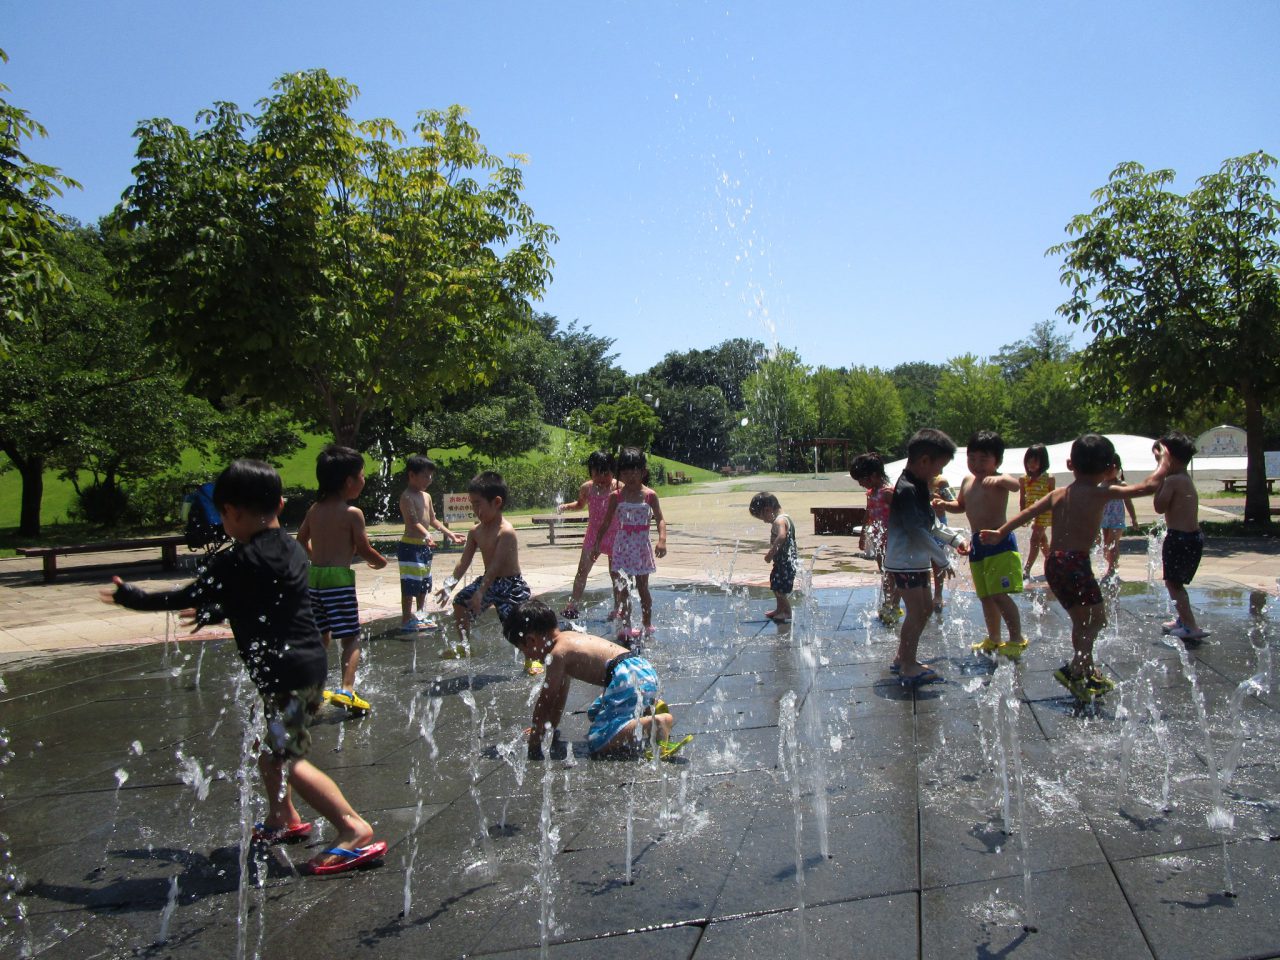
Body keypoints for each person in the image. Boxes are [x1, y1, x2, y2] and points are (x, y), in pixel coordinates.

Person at [101, 460, 386, 875]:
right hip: (304, 664)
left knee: (291, 758)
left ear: (230, 512)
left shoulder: (237, 560)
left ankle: (353, 828)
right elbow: (268, 597)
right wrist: (219, 609)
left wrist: (132, 596)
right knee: (269, 749)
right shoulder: (289, 546)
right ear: (281, 504)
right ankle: (283, 817)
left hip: (286, 672)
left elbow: (183, 595)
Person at [980, 434, 1169, 703]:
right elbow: (1148, 487)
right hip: (1075, 563)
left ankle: (1085, 670)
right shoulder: (1104, 491)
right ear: (1108, 469)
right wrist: (1163, 460)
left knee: (1085, 620)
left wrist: (1000, 533)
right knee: (1095, 620)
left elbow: (1027, 513)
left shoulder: (1059, 494)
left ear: (1070, 464)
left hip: (1055, 562)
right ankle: (1077, 670)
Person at [503, 600, 687, 759]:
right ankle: (647, 707)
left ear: (531, 640)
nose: (526, 655)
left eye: (523, 650)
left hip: (628, 678)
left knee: (598, 740)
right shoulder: (566, 639)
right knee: (595, 712)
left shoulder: (557, 654)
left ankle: (655, 723)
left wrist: (536, 737)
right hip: (641, 670)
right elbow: (560, 694)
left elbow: (546, 699)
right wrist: (550, 727)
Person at [296, 446, 388, 714]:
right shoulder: (352, 513)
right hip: (339, 582)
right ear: (349, 481)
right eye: (361, 475)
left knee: (320, 637)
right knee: (350, 638)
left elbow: (301, 539)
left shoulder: (314, 509)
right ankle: (346, 690)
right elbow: (363, 548)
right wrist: (380, 561)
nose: (364, 479)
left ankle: (312, 690)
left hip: (315, 579)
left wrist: (316, 559)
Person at [885, 429, 969, 686]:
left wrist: (955, 540)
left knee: (924, 610)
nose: (938, 473)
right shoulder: (908, 489)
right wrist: (942, 559)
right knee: (917, 610)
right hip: (904, 561)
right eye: (938, 466)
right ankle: (908, 664)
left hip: (916, 559)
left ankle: (904, 657)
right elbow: (916, 531)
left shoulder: (919, 485)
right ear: (924, 461)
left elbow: (930, 524)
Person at [437, 470, 541, 674]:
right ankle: (465, 646)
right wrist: (449, 584)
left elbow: (495, 566)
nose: (475, 509)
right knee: (460, 603)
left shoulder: (506, 532)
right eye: (472, 504)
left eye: (478, 504)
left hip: (511, 585)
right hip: (488, 581)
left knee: (516, 625)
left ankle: (531, 658)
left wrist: (481, 592)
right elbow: (463, 562)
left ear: (496, 502)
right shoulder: (475, 531)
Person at [936, 431, 1026, 658]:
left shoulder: (999, 480)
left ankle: (1016, 639)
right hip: (978, 543)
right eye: (972, 458)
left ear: (998, 460)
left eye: (983, 459)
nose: (976, 464)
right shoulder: (967, 481)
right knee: (985, 595)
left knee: (1000, 594)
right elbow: (961, 506)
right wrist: (944, 504)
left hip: (999, 541)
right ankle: (994, 638)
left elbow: (1016, 485)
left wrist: (1001, 478)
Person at [590, 447, 667, 643]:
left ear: (643, 471)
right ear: (620, 473)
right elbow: (606, 522)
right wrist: (597, 544)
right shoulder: (617, 496)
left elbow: (660, 519)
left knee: (643, 588)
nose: (631, 476)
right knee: (623, 589)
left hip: (641, 547)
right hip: (622, 547)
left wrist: (662, 539)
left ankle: (647, 624)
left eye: (635, 471)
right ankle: (626, 627)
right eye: (626, 472)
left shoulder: (649, 495)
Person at [397, 455, 464, 634]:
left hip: (424, 547)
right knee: (410, 584)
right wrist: (427, 534)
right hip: (410, 547)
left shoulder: (426, 496)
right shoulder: (407, 497)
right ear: (412, 475)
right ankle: (405, 619)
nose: (429, 480)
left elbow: (432, 519)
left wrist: (449, 534)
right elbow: (413, 522)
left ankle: (420, 614)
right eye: (425, 476)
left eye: (431, 476)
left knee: (423, 584)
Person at [1154, 432, 1208, 641]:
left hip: (1179, 538)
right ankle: (1182, 619)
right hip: (1192, 537)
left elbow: (1159, 507)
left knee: (1173, 584)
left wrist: (1159, 478)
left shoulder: (1173, 480)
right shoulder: (1184, 478)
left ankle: (1191, 626)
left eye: (1160, 458)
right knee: (1176, 583)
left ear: (1171, 458)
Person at [556, 451, 622, 621]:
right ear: (590, 472)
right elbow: (580, 505)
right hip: (593, 535)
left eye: (606, 473)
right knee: (582, 571)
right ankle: (573, 605)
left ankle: (618, 608)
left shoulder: (618, 487)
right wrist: (566, 506)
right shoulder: (588, 488)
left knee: (615, 574)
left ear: (612, 471)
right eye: (596, 473)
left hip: (615, 534)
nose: (601, 477)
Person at [851, 452, 900, 624]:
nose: (860, 484)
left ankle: (894, 606)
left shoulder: (888, 492)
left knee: (895, 574)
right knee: (885, 573)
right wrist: (863, 534)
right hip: (880, 539)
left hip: (894, 539)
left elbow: (903, 514)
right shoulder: (872, 493)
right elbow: (868, 514)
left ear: (874, 475)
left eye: (861, 480)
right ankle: (888, 603)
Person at [748, 492, 798, 623]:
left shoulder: (779, 520)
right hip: (785, 561)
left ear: (768, 510)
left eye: (762, 517)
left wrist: (771, 553)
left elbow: (782, 536)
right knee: (776, 584)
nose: (764, 521)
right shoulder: (785, 518)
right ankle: (779, 609)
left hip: (785, 562)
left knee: (779, 587)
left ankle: (786, 611)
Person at [1099, 454, 1139, 583]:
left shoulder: (1122, 484)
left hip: (1117, 519)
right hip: (1105, 519)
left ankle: (1111, 570)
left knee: (1112, 543)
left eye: (1111, 469)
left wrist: (1134, 518)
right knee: (1106, 546)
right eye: (1105, 469)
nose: (1108, 472)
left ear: (1118, 469)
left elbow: (1128, 502)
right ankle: (1113, 565)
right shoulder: (1101, 484)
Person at [1020, 444, 1055, 580]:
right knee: (1042, 540)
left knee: (1034, 539)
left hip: (1045, 514)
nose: (1031, 464)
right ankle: (1051, 561)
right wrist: (1022, 515)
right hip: (1031, 513)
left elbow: (1053, 497)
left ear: (1043, 462)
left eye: (1035, 461)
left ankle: (1027, 569)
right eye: (1029, 461)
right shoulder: (1024, 479)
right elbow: (1022, 499)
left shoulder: (1048, 478)